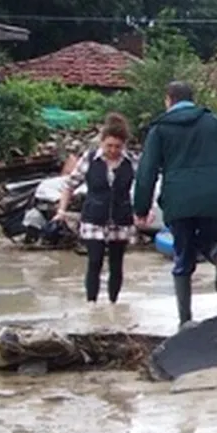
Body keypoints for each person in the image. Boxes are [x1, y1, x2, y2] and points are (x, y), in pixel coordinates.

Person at [133, 81, 217, 328]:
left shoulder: (160, 129)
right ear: (192, 98)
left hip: (178, 201)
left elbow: (146, 172)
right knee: (210, 242)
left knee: (183, 257)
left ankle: (185, 321)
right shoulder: (212, 121)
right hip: (211, 197)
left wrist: (141, 209)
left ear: (168, 99)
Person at [56, 113, 136, 305]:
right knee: (94, 261)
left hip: (121, 219)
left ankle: (113, 304)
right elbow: (70, 184)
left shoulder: (131, 162)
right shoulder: (90, 159)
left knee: (116, 265)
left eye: (117, 146)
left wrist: (144, 210)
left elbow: (143, 188)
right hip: (94, 218)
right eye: (109, 146)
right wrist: (61, 210)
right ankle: (91, 304)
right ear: (102, 143)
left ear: (123, 145)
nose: (113, 150)